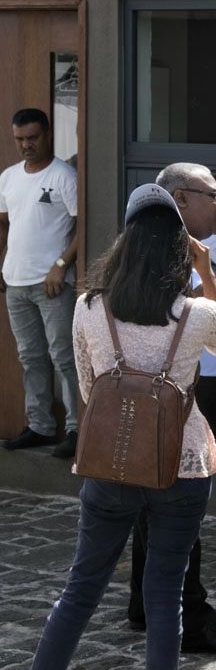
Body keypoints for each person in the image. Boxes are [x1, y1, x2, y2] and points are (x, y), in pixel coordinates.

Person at [1, 183, 216, 670]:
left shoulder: (87, 308)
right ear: (180, 244)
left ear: (125, 242)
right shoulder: (195, 313)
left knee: (80, 589)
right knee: (165, 591)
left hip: (111, 462)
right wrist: (204, 270)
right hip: (182, 463)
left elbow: (86, 387)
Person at [126, 162, 216, 654]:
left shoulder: (136, 263)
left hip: (137, 415)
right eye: (212, 196)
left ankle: (144, 605)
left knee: (148, 515)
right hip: (173, 414)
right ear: (178, 198)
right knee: (177, 520)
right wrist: (207, 273)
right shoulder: (172, 264)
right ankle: (187, 615)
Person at [0, 108, 81, 458]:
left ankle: (78, 429)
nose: (26, 145)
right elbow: (6, 222)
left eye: (32, 138)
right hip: (16, 283)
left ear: (47, 135)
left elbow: (83, 225)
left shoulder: (64, 175)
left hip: (52, 284)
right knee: (30, 357)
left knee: (64, 356)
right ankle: (40, 426)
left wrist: (61, 265)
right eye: (20, 139)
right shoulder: (8, 176)